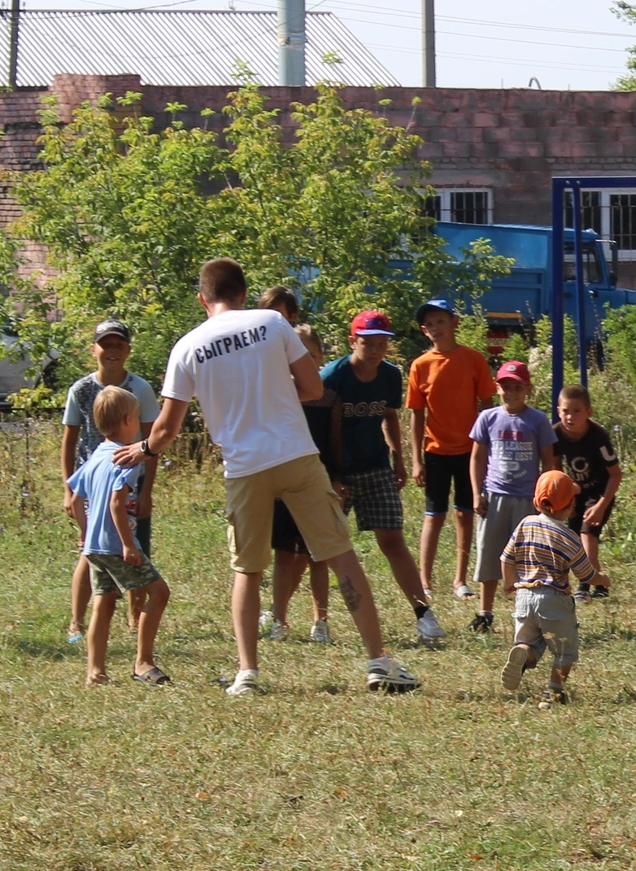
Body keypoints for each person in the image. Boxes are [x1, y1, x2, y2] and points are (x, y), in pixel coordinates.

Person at [120, 258, 414, 696]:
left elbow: (165, 430)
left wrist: (141, 449)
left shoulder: (187, 347)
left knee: (248, 569)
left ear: (203, 299)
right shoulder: (273, 323)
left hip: (243, 468)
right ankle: (378, 662)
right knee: (339, 554)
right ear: (243, 292)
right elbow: (314, 389)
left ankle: (248, 674)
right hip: (296, 454)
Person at [322, 308, 444, 642]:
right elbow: (315, 428)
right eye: (367, 343)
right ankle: (310, 619)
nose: (375, 350)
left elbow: (390, 416)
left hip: (376, 466)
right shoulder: (332, 377)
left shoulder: (390, 376)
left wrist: (399, 461)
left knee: (392, 541)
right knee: (320, 546)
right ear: (353, 341)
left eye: (381, 343)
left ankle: (424, 614)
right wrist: (331, 475)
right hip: (337, 472)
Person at [60, 320, 159, 651]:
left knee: (132, 549)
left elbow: (152, 441)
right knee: (95, 553)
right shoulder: (81, 390)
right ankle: (76, 619)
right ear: (94, 350)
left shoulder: (139, 390)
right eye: (106, 344)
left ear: (128, 350)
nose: (112, 350)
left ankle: (133, 617)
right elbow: (69, 439)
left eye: (119, 344)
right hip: (94, 480)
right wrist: (68, 489)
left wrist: (146, 491)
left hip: (129, 480)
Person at [62, 386, 170, 686]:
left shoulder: (97, 454)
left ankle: (95, 672)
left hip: (93, 548)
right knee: (160, 593)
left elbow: (73, 502)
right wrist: (126, 543)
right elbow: (117, 503)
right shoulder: (127, 459)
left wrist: (86, 535)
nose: (138, 421)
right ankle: (143, 663)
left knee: (104, 603)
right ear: (127, 420)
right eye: (137, 416)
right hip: (115, 546)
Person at [258, 293, 334, 645]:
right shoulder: (274, 393)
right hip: (282, 479)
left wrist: (339, 478)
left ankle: (321, 621)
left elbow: (335, 443)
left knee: (320, 554)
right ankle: (279, 620)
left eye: (310, 355)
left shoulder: (328, 396)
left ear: (318, 357)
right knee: (284, 554)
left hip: (319, 479)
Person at [407, 299, 495, 602]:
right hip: (435, 451)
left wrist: (489, 449)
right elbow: (416, 414)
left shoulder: (473, 360)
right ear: (423, 330)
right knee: (434, 515)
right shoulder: (419, 366)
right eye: (429, 324)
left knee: (464, 514)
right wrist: (416, 460)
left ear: (454, 322)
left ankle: (460, 580)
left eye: (440, 321)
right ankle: (424, 581)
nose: (435, 328)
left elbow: (488, 406)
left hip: (470, 453)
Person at [469, 359, 557, 634]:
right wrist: (477, 493)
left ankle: (529, 613)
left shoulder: (538, 420)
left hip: (527, 499)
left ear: (528, 389)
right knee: (489, 553)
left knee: (528, 558)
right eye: (505, 387)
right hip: (495, 496)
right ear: (497, 388)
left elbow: (549, 462)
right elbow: (477, 458)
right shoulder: (488, 418)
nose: (511, 393)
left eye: (517, 387)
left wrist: (547, 498)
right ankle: (485, 612)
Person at [501, 470, 590, 702]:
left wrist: (509, 582)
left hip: (524, 597)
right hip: (554, 599)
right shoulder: (569, 537)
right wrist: (600, 578)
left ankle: (523, 652)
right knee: (564, 651)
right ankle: (553, 692)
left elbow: (506, 558)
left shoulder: (525, 524)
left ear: (535, 501)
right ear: (570, 506)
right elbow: (585, 573)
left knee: (529, 643)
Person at [553, 384, 623, 597]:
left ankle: (585, 582)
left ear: (588, 413)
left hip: (600, 492)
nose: (570, 417)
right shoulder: (555, 434)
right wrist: (564, 499)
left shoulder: (598, 436)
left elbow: (615, 474)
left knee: (587, 532)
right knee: (574, 537)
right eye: (565, 411)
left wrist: (602, 505)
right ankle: (600, 584)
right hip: (575, 492)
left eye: (576, 411)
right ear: (558, 411)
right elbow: (555, 468)